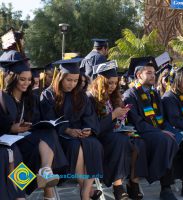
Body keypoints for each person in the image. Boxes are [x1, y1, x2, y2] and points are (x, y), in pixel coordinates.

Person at [124, 57, 183, 200]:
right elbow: (138, 123)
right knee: (166, 140)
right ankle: (166, 189)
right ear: (138, 75)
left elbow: (162, 119)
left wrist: (170, 130)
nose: (153, 75)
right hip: (142, 134)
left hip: (159, 131)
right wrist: (161, 132)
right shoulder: (130, 95)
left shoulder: (153, 94)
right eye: (149, 73)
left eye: (154, 72)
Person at [1, 58, 68, 199]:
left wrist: (31, 126)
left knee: (49, 132)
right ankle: (29, 194)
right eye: (22, 79)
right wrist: (12, 128)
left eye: (29, 79)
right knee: (14, 153)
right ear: (13, 79)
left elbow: (37, 122)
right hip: (10, 142)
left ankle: (46, 171)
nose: (27, 83)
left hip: (27, 139)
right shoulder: (4, 99)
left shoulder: (32, 98)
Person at [40, 58, 103, 200]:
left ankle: (85, 192)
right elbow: (49, 120)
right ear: (60, 77)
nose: (72, 84)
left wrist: (89, 129)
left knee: (94, 144)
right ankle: (86, 191)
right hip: (60, 135)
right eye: (69, 80)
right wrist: (67, 130)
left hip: (81, 133)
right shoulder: (48, 94)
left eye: (75, 80)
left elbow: (89, 116)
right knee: (76, 147)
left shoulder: (81, 95)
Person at [88, 60, 148, 200]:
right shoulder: (90, 98)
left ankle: (133, 184)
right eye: (109, 83)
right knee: (120, 140)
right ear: (100, 82)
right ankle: (118, 186)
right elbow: (95, 127)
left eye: (115, 83)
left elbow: (116, 123)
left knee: (139, 141)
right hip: (99, 138)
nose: (113, 86)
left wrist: (122, 124)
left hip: (114, 135)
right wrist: (114, 115)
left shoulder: (113, 97)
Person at [0, 90, 25, 200]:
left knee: (14, 150)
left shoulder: (4, 97)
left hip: (4, 139)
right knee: (3, 154)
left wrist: (12, 127)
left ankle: (21, 195)